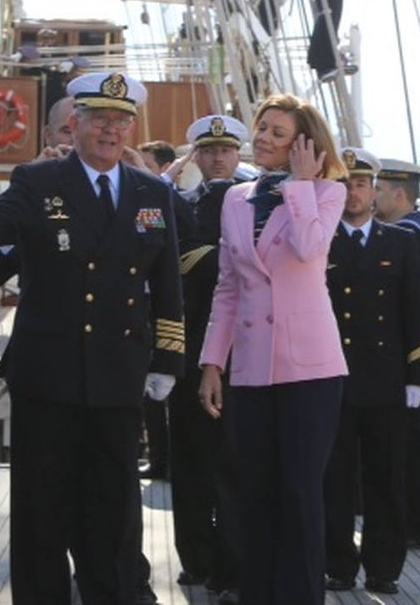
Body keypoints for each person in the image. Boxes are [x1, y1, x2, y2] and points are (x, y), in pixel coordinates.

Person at [0, 71, 185, 605]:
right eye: (99, 120)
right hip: (50, 375)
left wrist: (168, 360)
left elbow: (167, 283)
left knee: (112, 512)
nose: (111, 131)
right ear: (75, 123)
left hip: (117, 376)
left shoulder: (152, 192)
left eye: (121, 121)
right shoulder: (38, 183)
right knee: (43, 512)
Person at [198, 93, 349, 605]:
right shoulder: (235, 200)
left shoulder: (327, 193)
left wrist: (302, 185)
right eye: (262, 128)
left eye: (276, 133)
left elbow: (310, 250)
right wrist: (213, 361)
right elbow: (228, 286)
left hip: (311, 370)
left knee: (300, 494)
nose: (262, 138)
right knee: (254, 493)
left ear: (303, 146)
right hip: (253, 369)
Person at [323, 147, 420, 596]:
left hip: (385, 381)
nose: (353, 193)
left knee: (386, 480)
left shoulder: (403, 243)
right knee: (335, 479)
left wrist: (417, 377)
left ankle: (384, 567)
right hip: (330, 377)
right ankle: (338, 564)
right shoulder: (320, 238)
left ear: (375, 190)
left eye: (361, 184)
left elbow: (418, 314)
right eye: (344, 184)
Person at [169, 114, 248, 604]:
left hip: (249, 353)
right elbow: (172, 267)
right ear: (195, 155)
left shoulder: (261, 201)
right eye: (209, 150)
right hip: (190, 348)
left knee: (237, 466)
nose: (218, 157)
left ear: (238, 154)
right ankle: (196, 559)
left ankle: (233, 561)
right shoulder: (177, 206)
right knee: (191, 464)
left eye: (226, 149)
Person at [373, 158, 420, 548]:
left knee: (408, 444)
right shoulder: (415, 233)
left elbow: (416, 304)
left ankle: (418, 525)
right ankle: (419, 524)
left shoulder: (408, 238)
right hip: (406, 349)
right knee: (408, 440)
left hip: (407, 351)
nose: (373, 198)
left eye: (379, 191)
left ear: (400, 195)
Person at [136, 139, 176, 481]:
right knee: (143, 390)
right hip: (133, 304)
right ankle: (156, 456)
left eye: (146, 165)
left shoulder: (166, 197)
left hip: (160, 305)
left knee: (165, 384)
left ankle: (168, 456)